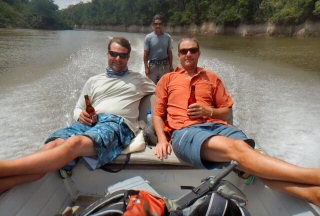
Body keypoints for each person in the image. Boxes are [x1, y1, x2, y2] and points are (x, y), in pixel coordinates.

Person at [153, 37, 320, 206]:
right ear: (178, 55)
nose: (188, 54)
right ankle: (315, 176)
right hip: (186, 131)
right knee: (242, 150)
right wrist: (161, 140)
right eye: (184, 51)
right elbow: (158, 114)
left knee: (255, 158)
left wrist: (208, 111)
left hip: (218, 127)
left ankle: (313, 194)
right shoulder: (168, 79)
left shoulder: (212, 78)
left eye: (193, 50)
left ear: (199, 53)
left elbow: (226, 112)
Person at [0, 37, 155, 192]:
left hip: (117, 124)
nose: (118, 58)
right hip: (89, 123)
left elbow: (163, 89)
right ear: (107, 54)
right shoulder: (93, 81)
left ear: (128, 57)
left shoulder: (139, 80)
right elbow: (79, 108)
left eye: (123, 55)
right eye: (114, 54)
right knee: (53, 145)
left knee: (74, 143)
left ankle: (4, 168)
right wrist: (80, 115)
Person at [144, 14, 174, 84]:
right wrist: (146, 67)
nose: (158, 26)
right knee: (152, 86)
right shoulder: (148, 37)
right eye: (156, 24)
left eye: (160, 24)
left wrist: (171, 66)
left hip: (165, 65)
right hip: (153, 66)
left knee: (165, 85)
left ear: (163, 25)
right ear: (152, 25)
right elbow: (145, 54)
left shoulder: (168, 37)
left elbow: (169, 52)